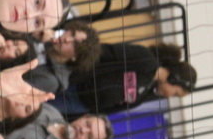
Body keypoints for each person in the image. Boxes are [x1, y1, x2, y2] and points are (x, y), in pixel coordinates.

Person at [54, 42, 198, 117]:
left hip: (80, 105)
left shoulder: (146, 93)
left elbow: (114, 108)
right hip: (74, 81)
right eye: (175, 93)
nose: (169, 96)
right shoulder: (145, 58)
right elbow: (106, 52)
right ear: (175, 79)